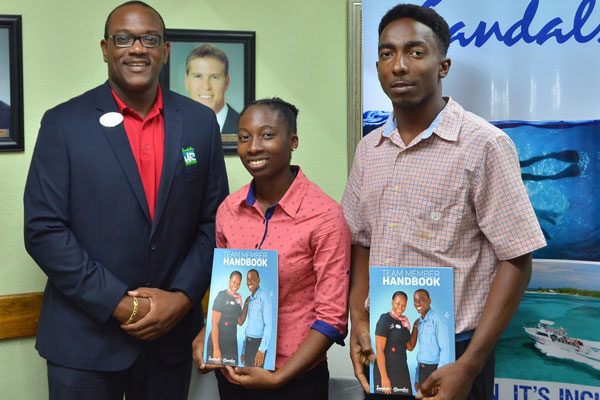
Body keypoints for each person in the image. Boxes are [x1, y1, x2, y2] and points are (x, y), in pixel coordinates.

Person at [23, 2, 228, 399]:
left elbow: (213, 223)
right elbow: (43, 230)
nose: (137, 48)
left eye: (149, 39)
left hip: (169, 339)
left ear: (165, 51)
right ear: (105, 49)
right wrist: (117, 302)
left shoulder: (200, 123)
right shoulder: (63, 123)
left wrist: (183, 297)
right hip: (84, 343)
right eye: (123, 39)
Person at [341, 4, 546, 399]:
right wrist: (360, 321)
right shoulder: (369, 149)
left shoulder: (484, 144)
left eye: (416, 52)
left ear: (443, 66)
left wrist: (470, 365)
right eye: (387, 53)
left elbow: (517, 259)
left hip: (457, 350)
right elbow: (361, 242)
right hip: (386, 340)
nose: (399, 65)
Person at [192, 97, 351, 399]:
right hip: (233, 374)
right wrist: (205, 336)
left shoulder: (325, 216)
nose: (253, 147)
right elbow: (226, 289)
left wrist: (280, 378)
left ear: (293, 142)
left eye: (267, 135)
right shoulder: (228, 210)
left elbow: (332, 317)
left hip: (296, 379)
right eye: (244, 137)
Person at [184, 44, 240, 134]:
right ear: (186, 81)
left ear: (226, 82)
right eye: (198, 76)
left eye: (214, 77)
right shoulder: (172, 127)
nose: (206, 86)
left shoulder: (245, 127)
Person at [373, 291, 416, 396]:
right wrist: (384, 378)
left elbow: (410, 347)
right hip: (386, 371)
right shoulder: (384, 319)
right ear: (392, 302)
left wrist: (415, 326)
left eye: (403, 305)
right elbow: (379, 350)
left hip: (401, 370)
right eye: (397, 303)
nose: (400, 307)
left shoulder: (404, 322)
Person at [412, 289, 451, 393]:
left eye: (421, 300)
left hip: (434, 370)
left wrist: (439, 376)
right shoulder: (419, 323)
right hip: (422, 370)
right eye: (415, 300)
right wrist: (417, 378)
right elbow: (421, 352)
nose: (417, 303)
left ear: (429, 301)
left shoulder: (437, 319)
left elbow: (445, 349)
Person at [207, 271, 244, 366]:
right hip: (218, 342)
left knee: (233, 371)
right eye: (234, 282)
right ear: (229, 281)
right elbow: (214, 323)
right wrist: (216, 349)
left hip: (231, 343)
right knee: (218, 371)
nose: (236, 285)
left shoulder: (237, 299)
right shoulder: (221, 296)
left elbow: (240, 322)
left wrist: (244, 304)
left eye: (238, 283)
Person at [239, 268, 274, 368]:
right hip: (248, 343)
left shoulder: (264, 298)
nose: (250, 282)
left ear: (259, 280)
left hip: (258, 344)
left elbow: (268, 325)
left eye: (253, 279)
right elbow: (249, 326)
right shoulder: (249, 300)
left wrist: (262, 350)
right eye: (248, 279)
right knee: (246, 373)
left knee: (257, 375)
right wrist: (244, 350)